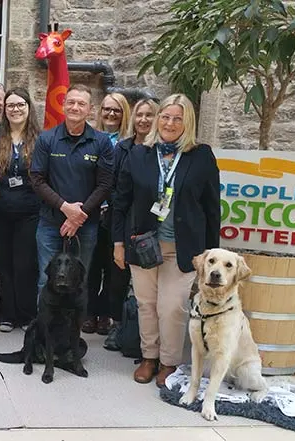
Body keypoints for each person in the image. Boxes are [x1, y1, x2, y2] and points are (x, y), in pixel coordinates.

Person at [112, 93, 220, 387]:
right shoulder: (139, 154)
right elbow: (120, 202)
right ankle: (149, 357)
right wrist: (118, 243)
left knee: (171, 307)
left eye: (177, 118)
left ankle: (169, 362)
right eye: (166, 117)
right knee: (146, 304)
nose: (170, 123)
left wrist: (211, 254)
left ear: (188, 123)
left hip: (182, 248)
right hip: (143, 244)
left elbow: (212, 208)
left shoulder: (201, 156)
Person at [30, 84, 114, 294]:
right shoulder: (46, 139)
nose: (75, 107)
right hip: (50, 223)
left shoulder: (101, 142)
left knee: (80, 281)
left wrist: (80, 214)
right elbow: (37, 180)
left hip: (86, 225)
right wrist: (65, 208)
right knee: (45, 278)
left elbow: (105, 184)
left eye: (81, 103)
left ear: (90, 109)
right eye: (71, 102)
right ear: (64, 105)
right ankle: (46, 327)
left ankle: (72, 327)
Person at [102, 98, 159, 351]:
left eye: (150, 115)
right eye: (140, 115)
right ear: (133, 118)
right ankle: (117, 325)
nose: (144, 120)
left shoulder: (162, 149)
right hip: (124, 219)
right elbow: (113, 184)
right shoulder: (122, 149)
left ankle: (145, 332)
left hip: (154, 223)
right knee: (118, 275)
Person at [0, 88, 41, 332]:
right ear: (4, 110)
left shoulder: (41, 139)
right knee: (4, 264)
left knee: (25, 265)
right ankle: (7, 314)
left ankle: (27, 314)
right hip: (0, 212)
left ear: (29, 108)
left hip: (30, 212)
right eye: (11, 106)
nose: (15, 109)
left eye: (20, 105)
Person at [83, 92, 133, 336]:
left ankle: (106, 314)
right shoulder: (90, 139)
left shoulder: (131, 143)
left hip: (118, 215)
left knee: (115, 270)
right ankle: (90, 312)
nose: (111, 114)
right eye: (107, 109)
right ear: (99, 111)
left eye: (117, 110)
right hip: (92, 212)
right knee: (92, 266)